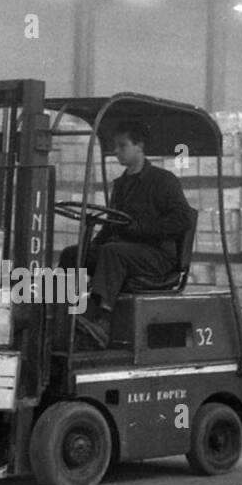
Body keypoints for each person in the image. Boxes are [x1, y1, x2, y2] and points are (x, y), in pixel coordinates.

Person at [58, 120, 194, 349]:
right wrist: (91, 247)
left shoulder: (162, 181)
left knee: (113, 252)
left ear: (139, 146)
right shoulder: (122, 185)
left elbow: (183, 219)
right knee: (73, 254)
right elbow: (112, 224)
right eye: (115, 147)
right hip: (128, 252)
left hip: (157, 256)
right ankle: (63, 315)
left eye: (122, 146)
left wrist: (141, 229)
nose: (117, 152)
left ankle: (103, 321)